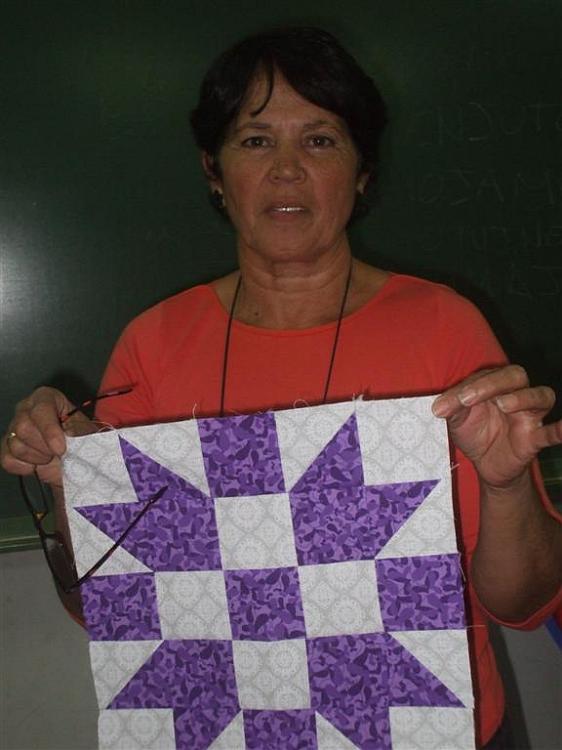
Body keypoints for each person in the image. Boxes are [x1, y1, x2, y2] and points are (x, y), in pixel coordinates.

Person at [1, 26, 561, 750]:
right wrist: (67, 480)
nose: (288, 170)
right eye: (256, 140)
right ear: (214, 170)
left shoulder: (443, 330)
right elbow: (113, 611)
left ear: (362, 171)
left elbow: (522, 604)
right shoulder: (155, 346)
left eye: (321, 140)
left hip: (434, 731)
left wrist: (507, 487)